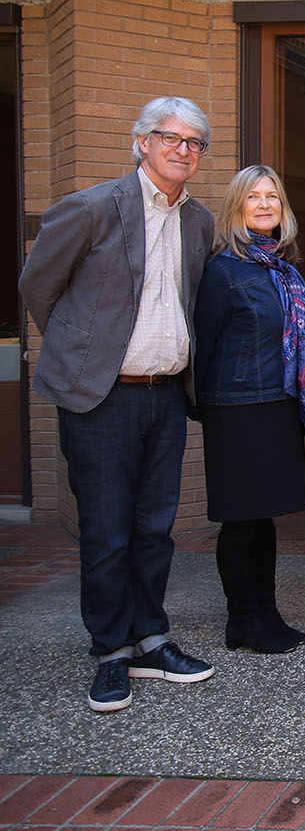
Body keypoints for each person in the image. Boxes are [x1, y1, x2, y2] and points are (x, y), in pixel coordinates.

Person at [20, 96, 217, 712]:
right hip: (101, 398)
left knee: (153, 528)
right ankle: (111, 651)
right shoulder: (92, 207)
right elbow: (38, 287)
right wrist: (85, 352)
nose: (182, 149)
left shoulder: (199, 222)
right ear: (141, 142)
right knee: (105, 532)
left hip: (164, 396)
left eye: (194, 142)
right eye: (170, 137)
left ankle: (151, 637)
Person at [194, 165, 305, 654]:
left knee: (264, 519)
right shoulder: (222, 271)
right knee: (241, 519)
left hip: (276, 406)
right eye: (252, 197)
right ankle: (243, 620)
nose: (263, 204)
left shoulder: (283, 271)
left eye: (271, 196)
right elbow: (202, 347)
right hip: (235, 410)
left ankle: (266, 613)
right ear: (236, 208)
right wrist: (205, 409)